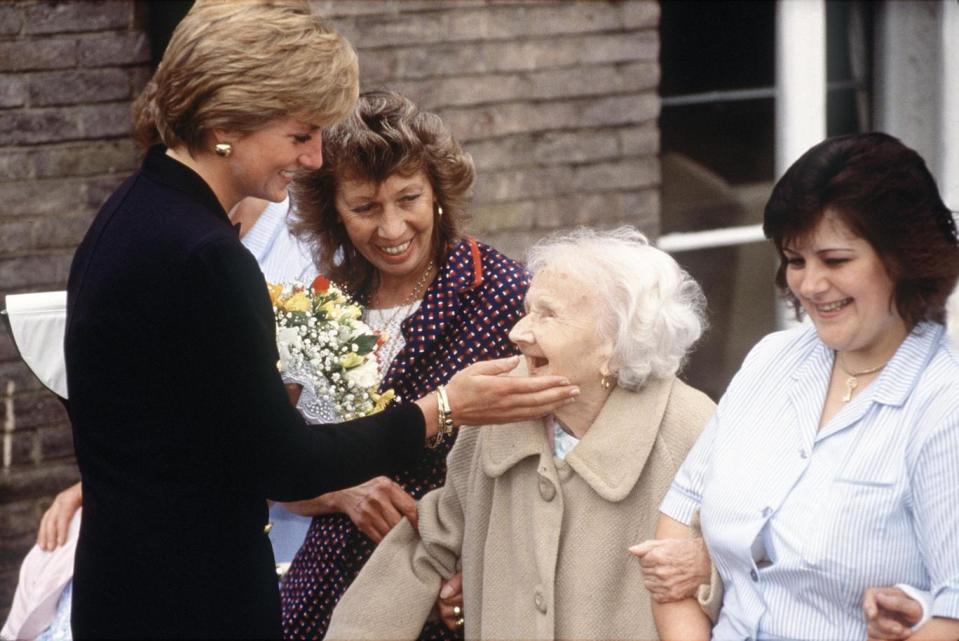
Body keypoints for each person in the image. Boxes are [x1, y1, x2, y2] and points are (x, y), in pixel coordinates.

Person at [62, 2, 577, 638]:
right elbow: (281, 462)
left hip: (128, 592)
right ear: (228, 124)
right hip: (191, 602)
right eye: (300, 134)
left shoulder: (132, 215)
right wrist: (444, 406)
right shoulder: (205, 257)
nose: (311, 158)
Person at [323, 226, 716, 640]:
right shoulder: (502, 411)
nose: (518, 333)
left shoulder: (690, 429)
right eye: (528, 310)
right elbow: (431, 540)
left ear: (614, 344)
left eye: (547, 314)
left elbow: (741, 569)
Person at [648, 132, 959, 640]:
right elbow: (676, 525)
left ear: (904, 258)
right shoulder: (772, 360)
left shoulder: (945, 405)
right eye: (796, 261)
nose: (810, 285)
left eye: (835, 261)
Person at [278, 90, 531, 641]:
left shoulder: (507, 295)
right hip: (323, 596)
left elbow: (548, 467)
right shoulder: (320, 304)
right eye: (365, 208)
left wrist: (487, 572)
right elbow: (272, 466)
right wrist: (341, 492)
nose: (391, 229)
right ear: (334, 213)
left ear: (438, 192)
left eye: (408, 199)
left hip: (442, 602)